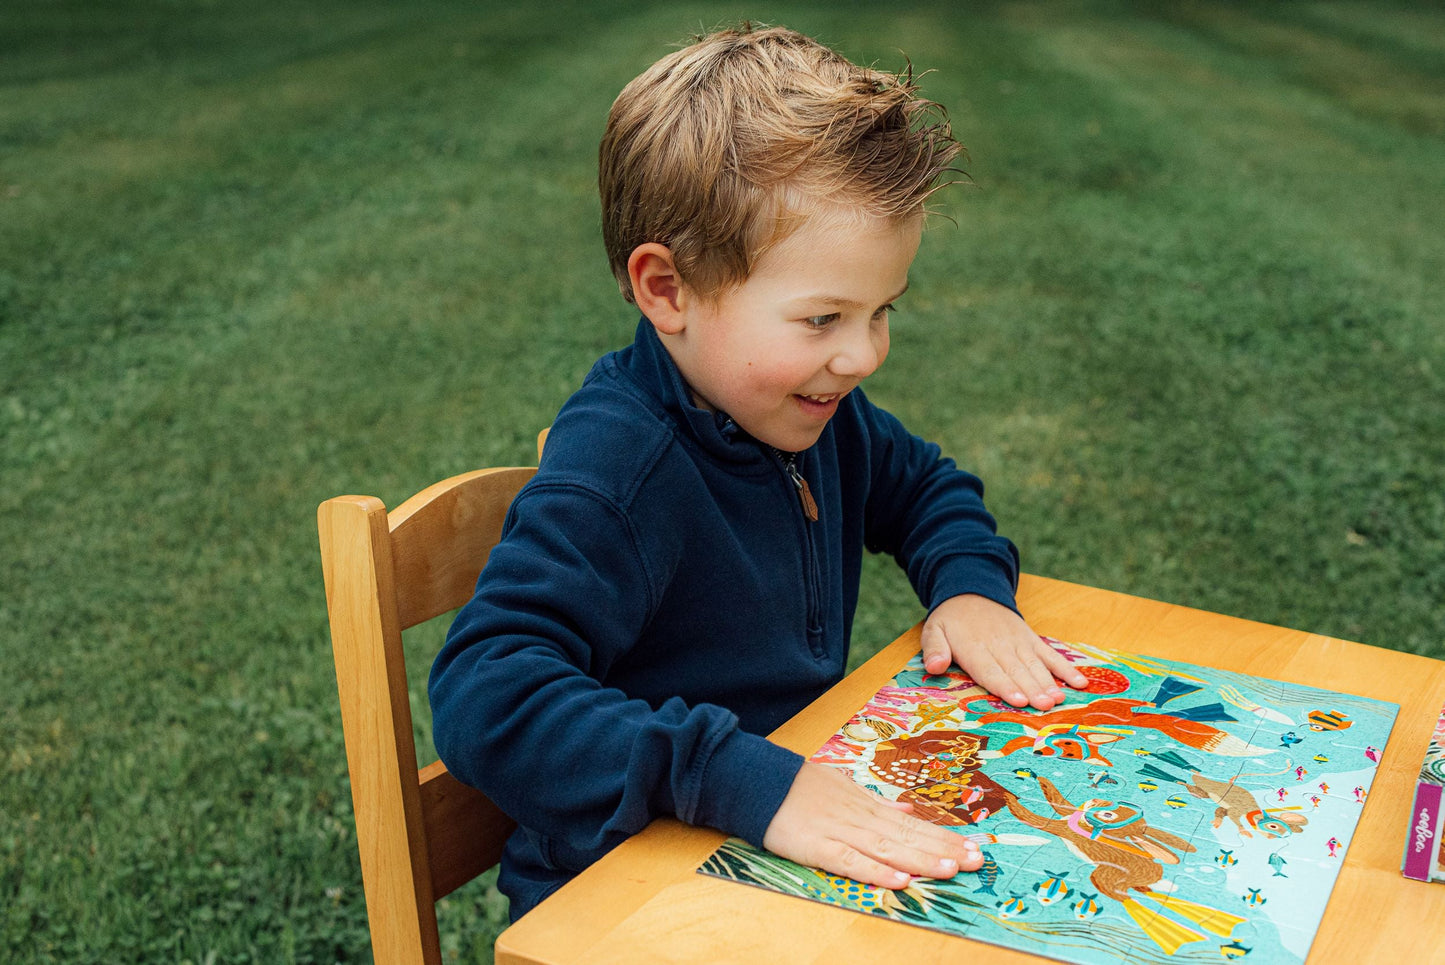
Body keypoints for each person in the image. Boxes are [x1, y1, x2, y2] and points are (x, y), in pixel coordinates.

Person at [428, 23, 1088, 921]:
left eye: (881, 310)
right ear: (667, 290)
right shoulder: (621, 469)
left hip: (781, 844)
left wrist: (968, 589)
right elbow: (487, 692)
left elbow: (926, 487)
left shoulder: (811, 415)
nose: (861, 356)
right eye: (822, 319)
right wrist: (733, 776)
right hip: (626, 894)